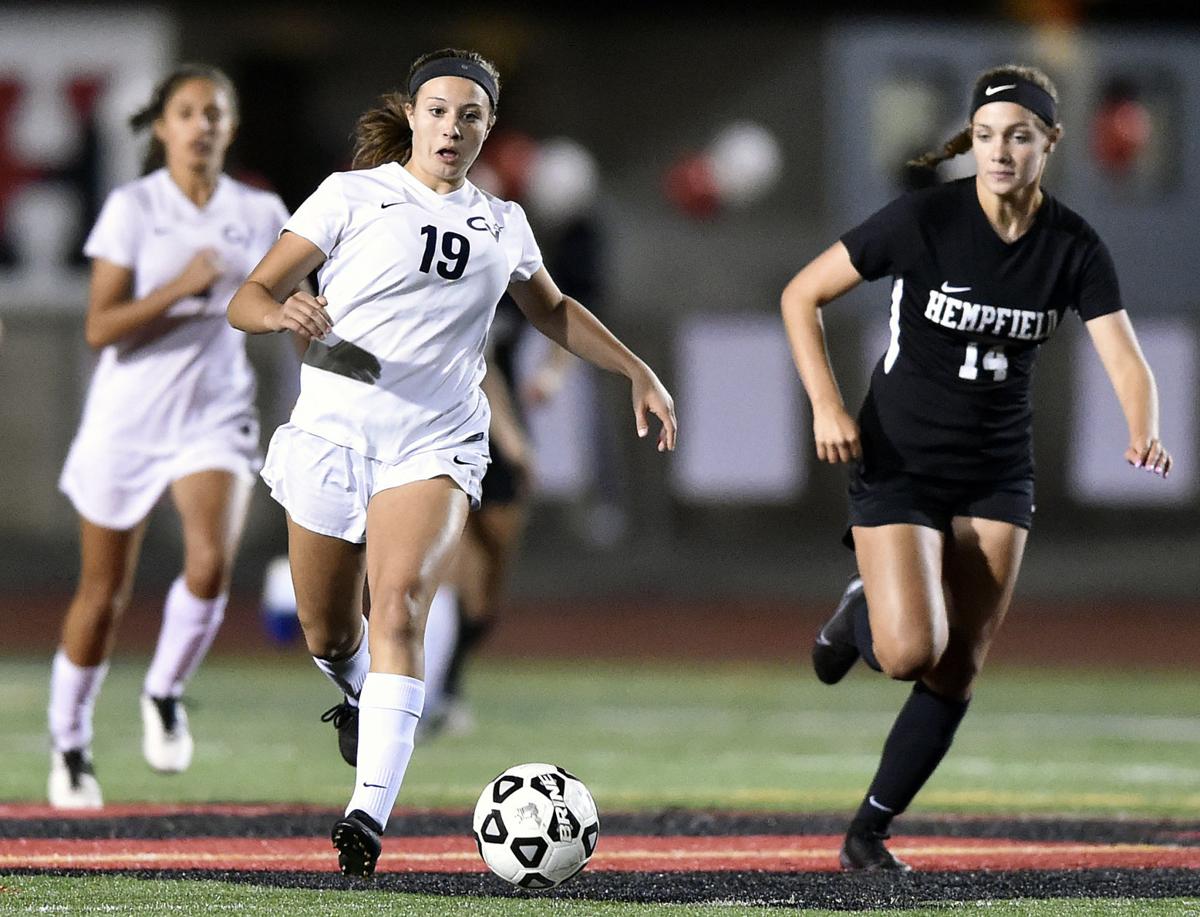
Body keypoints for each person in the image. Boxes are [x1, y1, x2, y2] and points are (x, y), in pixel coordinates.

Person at [227, 47, 676, 877]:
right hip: (331, 434)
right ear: (413, 115)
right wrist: (280, 310)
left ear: (488, 127)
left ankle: (367, 815)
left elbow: (553, 311)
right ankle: (359, 693)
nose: (452, 127)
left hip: (434, 441)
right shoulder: (350, 196)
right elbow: (245, 297)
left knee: (400, 607)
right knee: (331, 630)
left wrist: (636, 370)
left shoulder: (504, 221)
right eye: (438, 110)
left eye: (470, 115)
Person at [780, 64, 1172, 872]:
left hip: (996, 470)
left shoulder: (1072, 244)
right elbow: (801, 295)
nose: (999, 151)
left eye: (1018, 136)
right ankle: (860, 613)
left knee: (960, 663)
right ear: (970, 141)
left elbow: (1123, 355)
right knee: (910, 649)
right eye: (986, 136)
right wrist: (825, 405)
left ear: (1049, 143)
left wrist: (1145, 428)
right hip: (900, 458)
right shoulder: (926, 218)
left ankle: (868, 832)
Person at [49, 64, 291, 808]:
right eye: (186, 112)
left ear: (231, 125)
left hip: (213, 413)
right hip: (127, 419)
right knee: (103, 594)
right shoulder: (134, 207)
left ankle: (164, 690)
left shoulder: (261, 210)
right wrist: (180, 289)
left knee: (212, 563)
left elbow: (295, 301)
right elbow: (101, 328)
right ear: (162, 127)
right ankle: (70, 743)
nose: (201, 125)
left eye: (214, 112)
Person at [421, 293, 573, 737]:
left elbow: (563, 312)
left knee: (485, 595)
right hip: (446, 424)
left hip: (499, 428)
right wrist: (511, 440)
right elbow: (476, 361)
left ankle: (443, 684)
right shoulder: (457, 269)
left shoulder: (517, 265)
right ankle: (427, 695)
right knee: (449, 575)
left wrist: (553, 371)